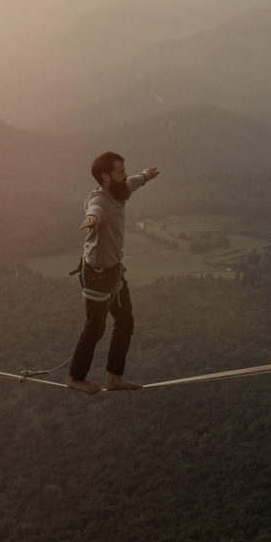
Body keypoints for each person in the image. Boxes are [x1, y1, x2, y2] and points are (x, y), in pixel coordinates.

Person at [67, 151, 159, 393]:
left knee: (125, 322)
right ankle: (76, 377)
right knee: (95, 328)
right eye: (120, 171)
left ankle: (114, 376)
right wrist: (91, 220)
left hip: (115, 273)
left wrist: (146, 175)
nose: (125, 175)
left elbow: (133, 182)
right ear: (105, 176)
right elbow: (94, 210)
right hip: (96, 275)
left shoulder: (120, 190)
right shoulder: (99, 200)